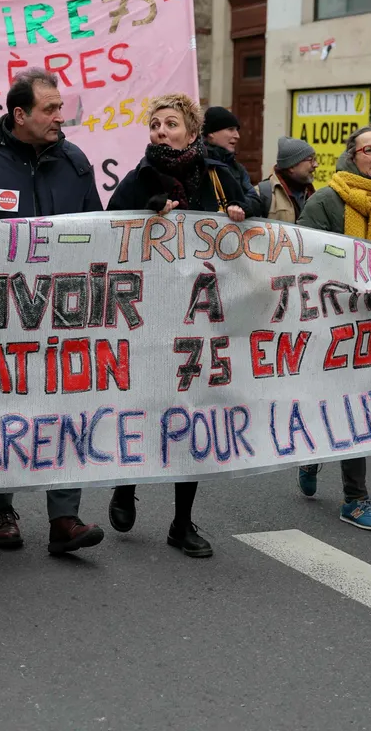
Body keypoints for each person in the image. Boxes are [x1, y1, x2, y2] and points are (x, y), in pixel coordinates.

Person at [0, 67, 105, 553]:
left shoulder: (75, 160)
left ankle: (66, 518)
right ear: (20, 114)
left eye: (61, 107)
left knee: (67, 405)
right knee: (2, 410)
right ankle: (1, 509)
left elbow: (100, 226)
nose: (61, 116)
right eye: (50, 109)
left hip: (65, 310)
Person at [107, 94, 248, 558]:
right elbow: (108, 228)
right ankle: (126, 484)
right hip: (149, 314)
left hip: (203, 314)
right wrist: (142, 213)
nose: (161, 131)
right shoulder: (137, 178)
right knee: (144, 401)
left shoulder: (218, 176)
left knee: (194, 409)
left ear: (191, 132)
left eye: (170, 124)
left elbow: (254, 210)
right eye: (155, 124)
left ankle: (182, 522)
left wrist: (241, 214)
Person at [294, 127, 371, 532]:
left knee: (356, 404)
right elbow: (303, 258)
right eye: (369, 150)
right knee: (333, 401)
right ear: (353, 157)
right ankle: (313, 454)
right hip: (329, 322)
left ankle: (354, 499)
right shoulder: (327, 201)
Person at [202, 106, 260, 211]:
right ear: (211, 133)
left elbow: (255, 202)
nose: (237, 136)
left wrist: (239, 206)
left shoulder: (238, 168)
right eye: (231, 129)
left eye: (237, 130)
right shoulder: (195, 162)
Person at [257, 136, 317, 223]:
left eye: (315, 159)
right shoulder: (262, 194)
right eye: (310, 160)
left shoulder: (312, 194)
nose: (316, 164)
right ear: (291, 166)